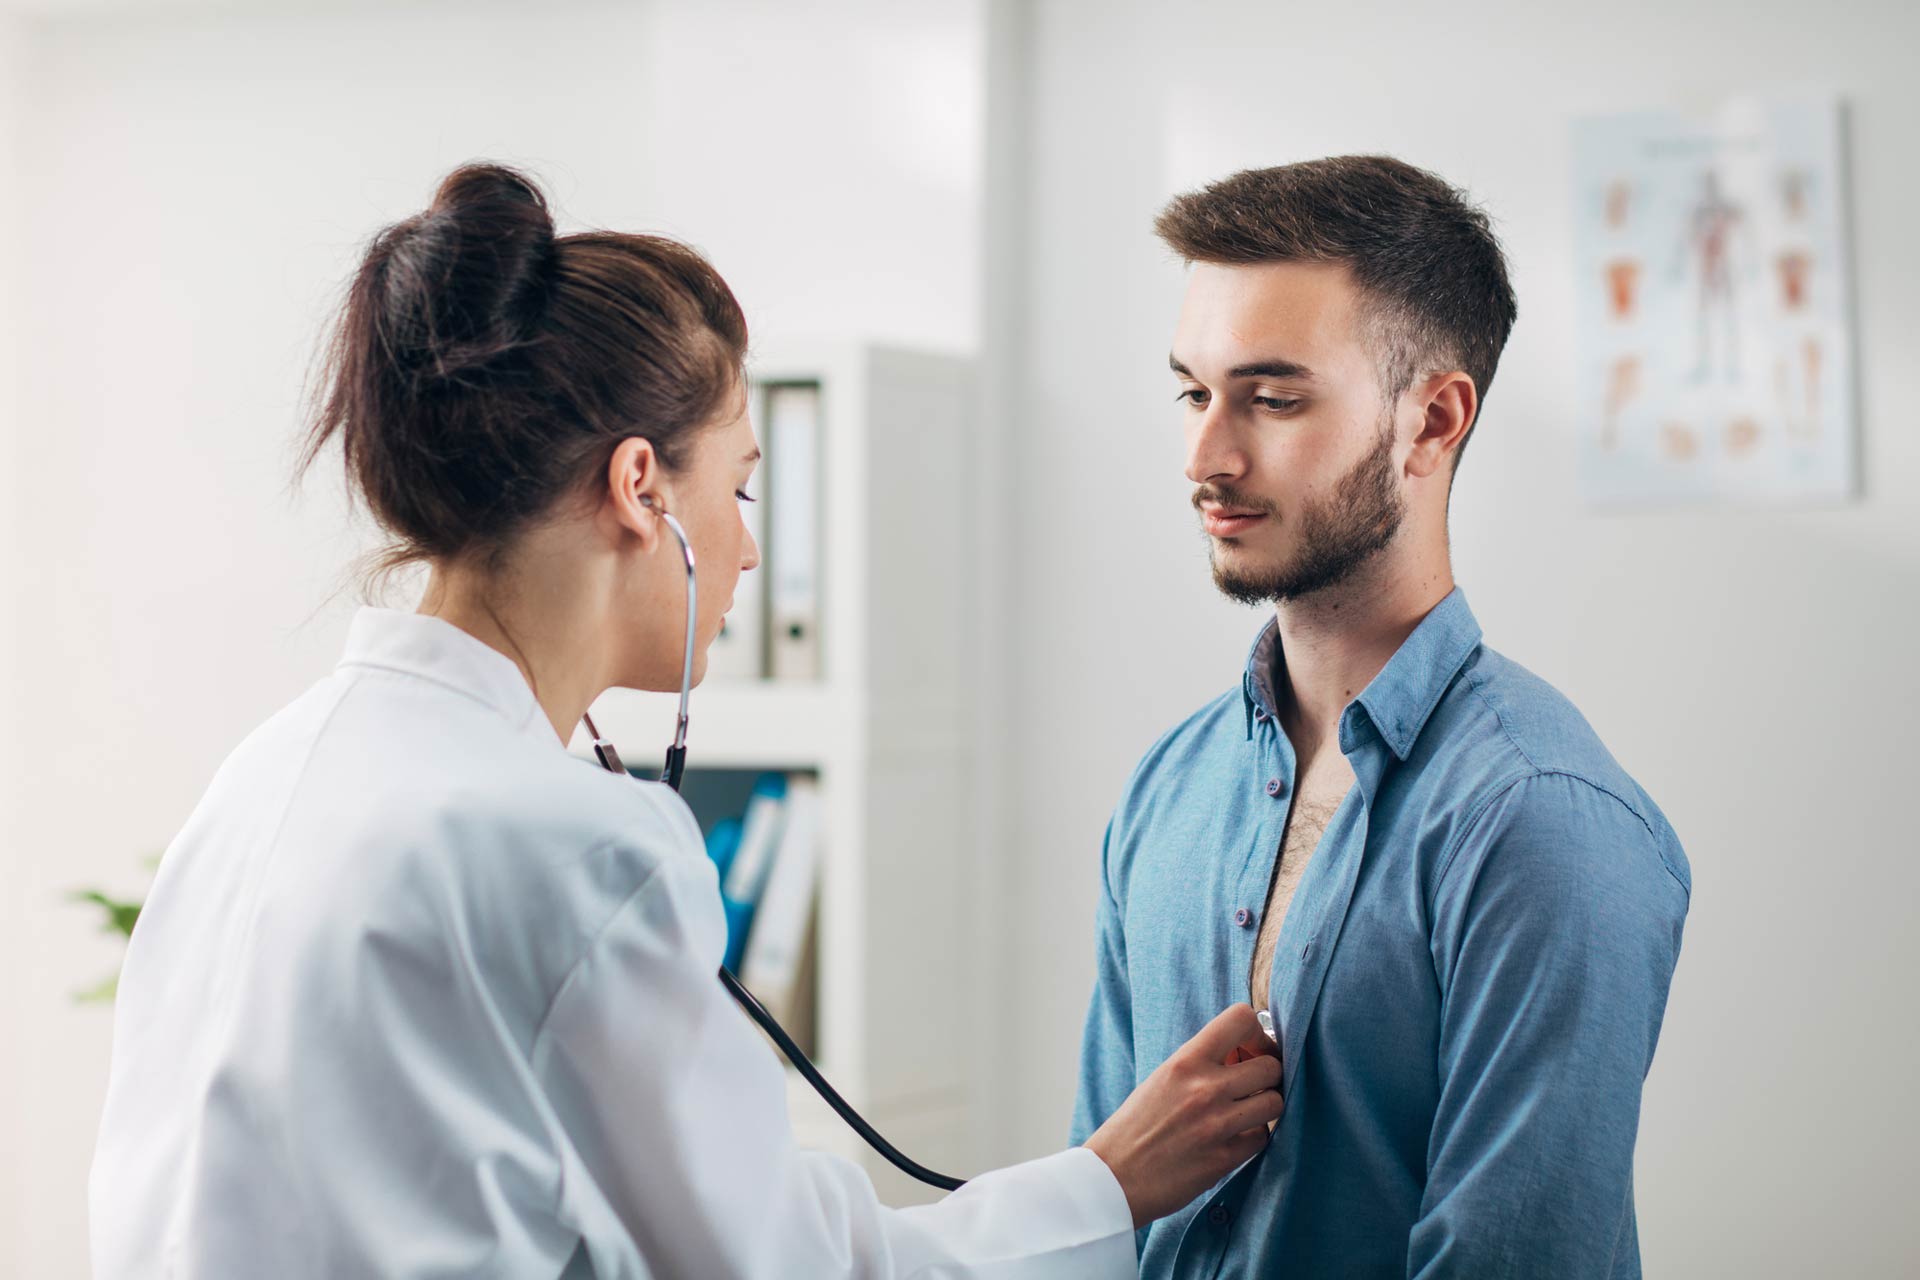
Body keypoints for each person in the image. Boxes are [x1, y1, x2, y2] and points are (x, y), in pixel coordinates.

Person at [87, 163, 1285, 1278]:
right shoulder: (578, 845)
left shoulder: (258, 779)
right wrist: (1106, 1182)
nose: (750, 545)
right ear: (638, 487)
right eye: (740, 486)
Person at [1069, 156, 1692, 1278]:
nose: (1206, 455)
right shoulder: (1168, 785)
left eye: (1273, 396)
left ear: (1431, 420)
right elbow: (1092, 1214)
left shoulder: (1544, 823)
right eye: (1193, 392)